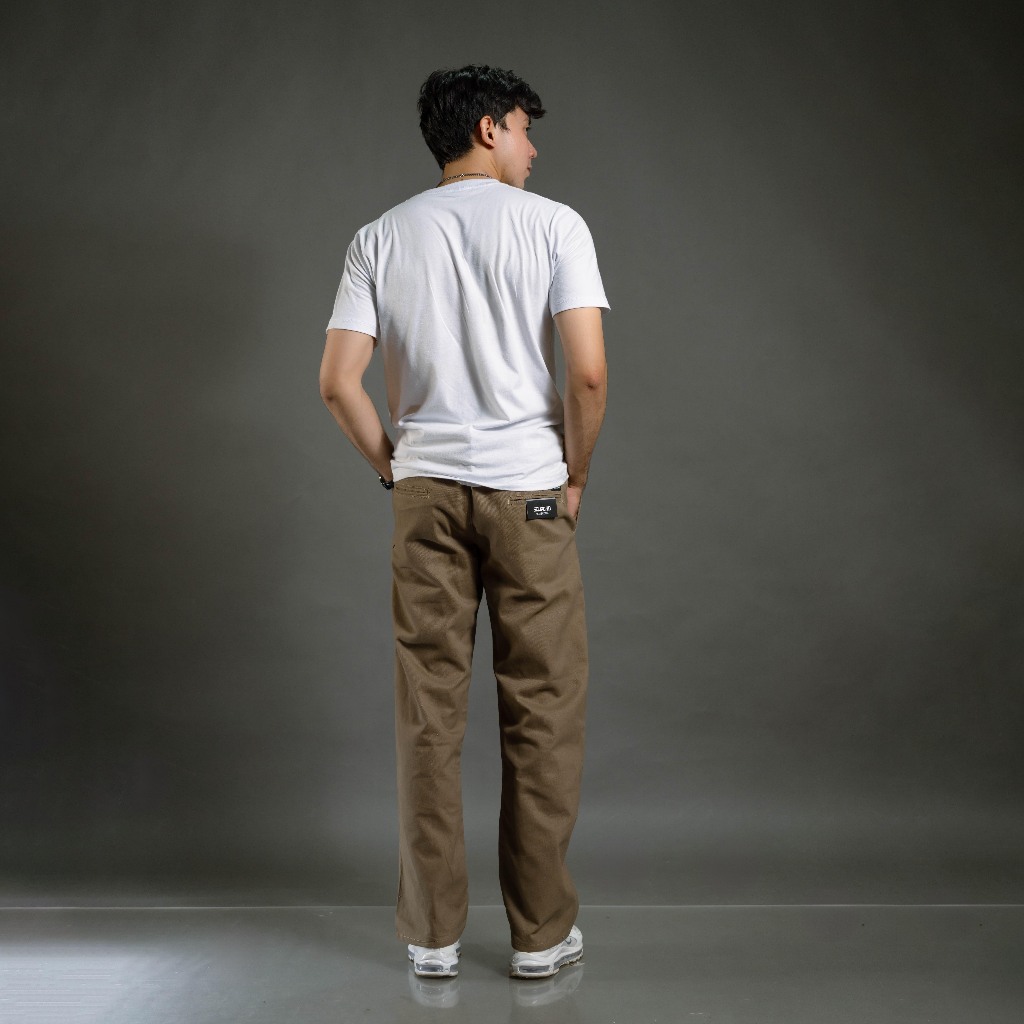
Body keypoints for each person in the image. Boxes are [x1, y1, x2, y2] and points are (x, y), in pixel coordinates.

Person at [318, 64, 609, 980]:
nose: (533, 148)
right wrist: (575, 476)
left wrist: (395, 471)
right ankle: (540, 936)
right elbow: (588, 373)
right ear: (489, 128)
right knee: (543, 713)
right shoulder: (555, 225)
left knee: (428, 715)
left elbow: (336, 383)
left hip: (426, 494)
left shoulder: (378, 237)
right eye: (524, 129)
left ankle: (433, 936)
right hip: (531, 492)